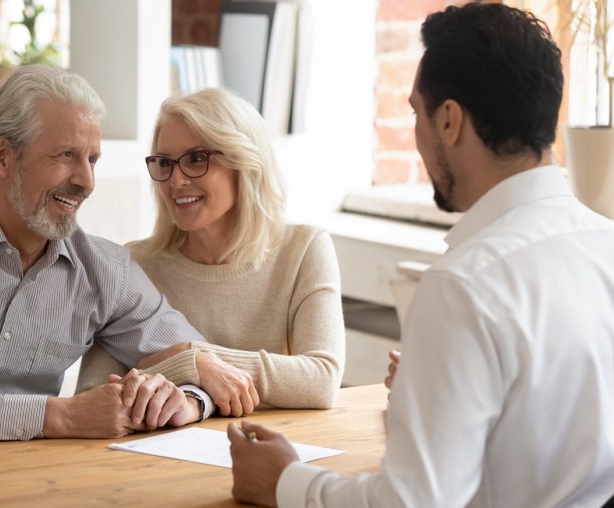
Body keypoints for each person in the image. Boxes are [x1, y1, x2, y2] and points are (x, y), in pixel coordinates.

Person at [226, 3, 614, 507]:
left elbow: (413, 502)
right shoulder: (604, 245)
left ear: (449, 120)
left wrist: (285, 482)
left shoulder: (464, 286)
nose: (416, 133)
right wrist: (434, 394)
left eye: (415, 111)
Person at [0, 64, 216, 441]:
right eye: (66, 155)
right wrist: (64, 417)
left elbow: (205, 366)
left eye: (92, 160)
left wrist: (185, 400)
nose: (86, 182)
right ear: (2, 158)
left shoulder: (105, 271)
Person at [77, 87, 345, 416]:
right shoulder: (133, 265)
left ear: (244, 163)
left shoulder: (304, 249)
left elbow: (321, 380)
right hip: (156, 460)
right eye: (165, 163)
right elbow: (94, 394)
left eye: (196, 159)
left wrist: (188, 353)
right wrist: (195, 367)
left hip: (267, 449)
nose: (175, 181)